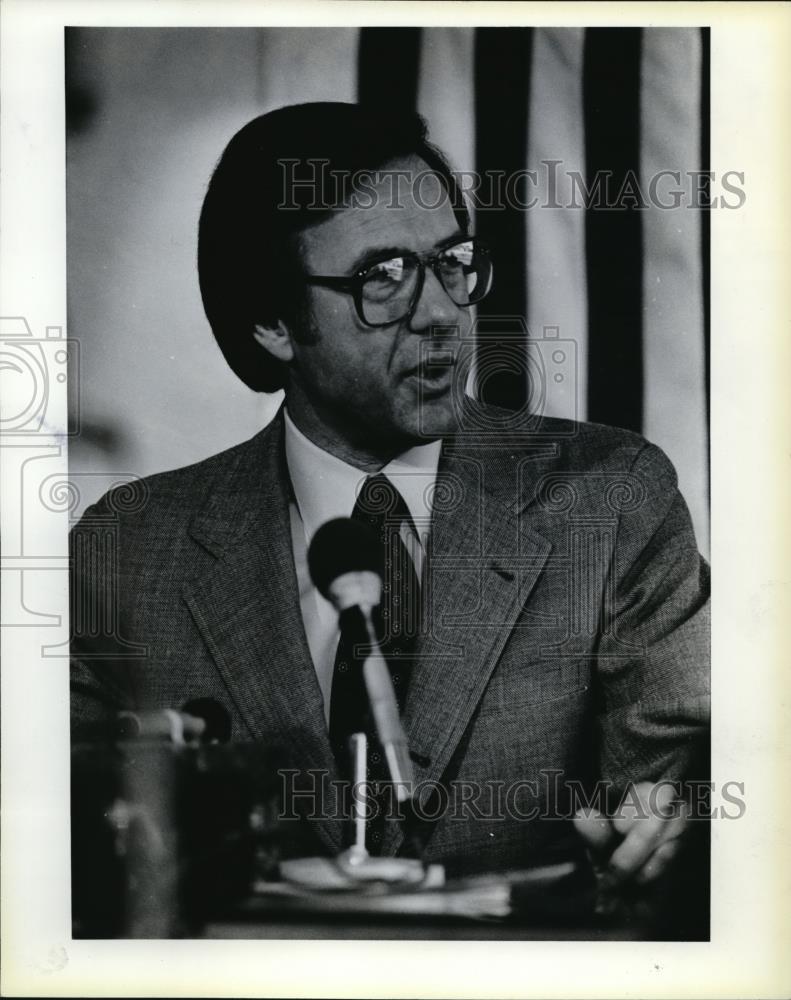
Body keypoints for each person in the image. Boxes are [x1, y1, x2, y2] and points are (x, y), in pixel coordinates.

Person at [70, 103, 709, 907]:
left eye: (451, 262)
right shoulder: (129, 548)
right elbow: (56, 841)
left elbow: (682, 780)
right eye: (381, 278)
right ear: (272, 321)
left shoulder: (611, 501)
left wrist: (663, 826)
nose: (442, 311)